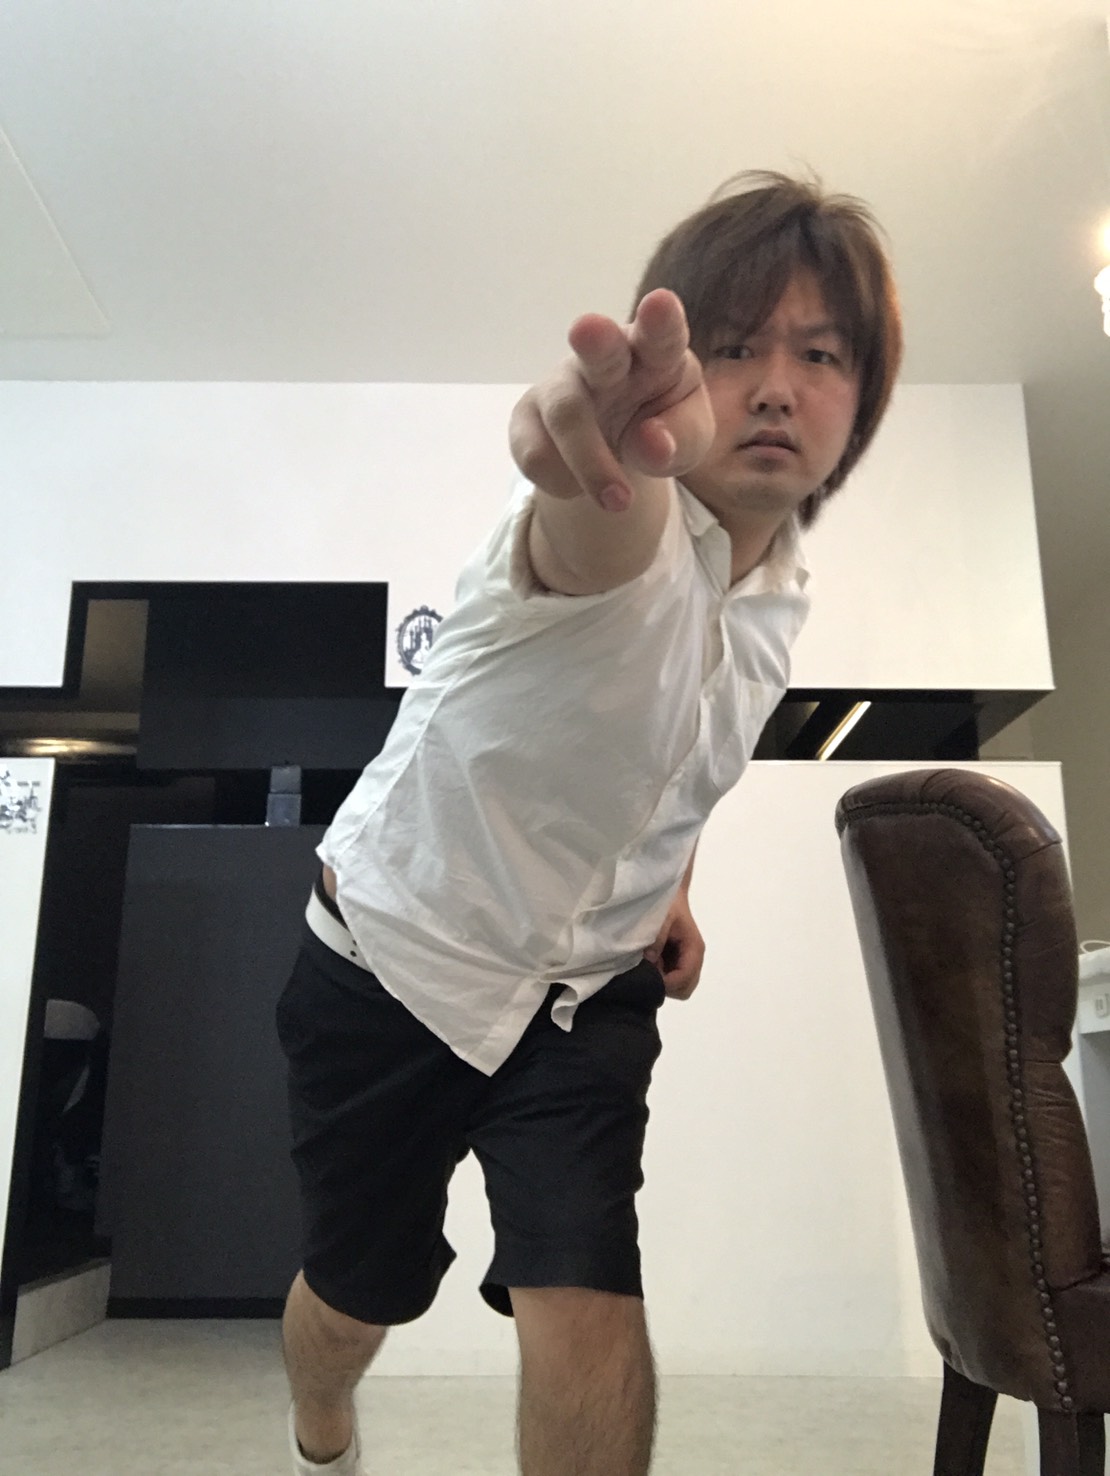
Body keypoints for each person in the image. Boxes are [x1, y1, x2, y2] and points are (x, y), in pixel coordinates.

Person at [277, 170, 903, 1476]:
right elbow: (592, 530)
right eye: (735, 347)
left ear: (862, 401)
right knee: (359, 1292)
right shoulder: (611, 529)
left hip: (583, 997)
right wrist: (592, 462)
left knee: (588, 1288)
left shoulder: (779, 600)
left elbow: (674, 762)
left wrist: (673, 884)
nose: (775, 387)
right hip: (392, 968)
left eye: (819, 354)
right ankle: (321, 1425)